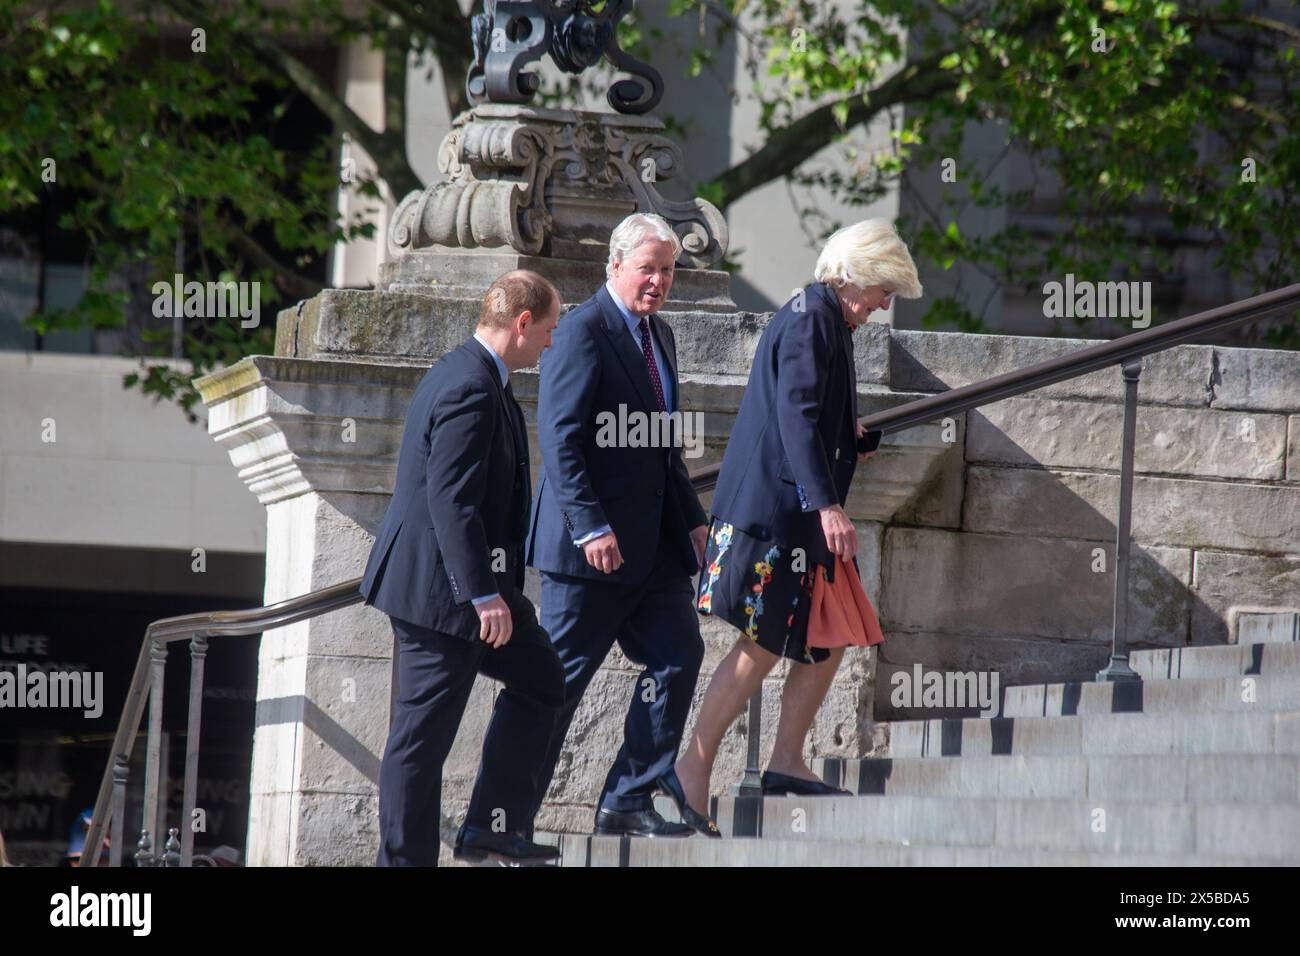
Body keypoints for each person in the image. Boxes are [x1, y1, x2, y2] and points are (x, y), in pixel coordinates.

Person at [674, 219, 923, 827]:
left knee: (830, 635)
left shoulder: (824, 316)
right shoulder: (815, 316)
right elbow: (794, 414)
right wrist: (828, 505)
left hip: (791, 516)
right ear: (856, 276)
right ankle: (691, 771)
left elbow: (807, 415)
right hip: (780, 516)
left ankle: (785, 761)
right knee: (761, 646)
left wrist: (848, 435)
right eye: (884, 291)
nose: (885, 306)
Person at [361, 269, 565, 865]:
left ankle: (491, 827)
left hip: (478, 593)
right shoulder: (471, 385)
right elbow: (451, 501)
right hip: (442, 597)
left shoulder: (478, 376)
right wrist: (482, 595)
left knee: (544, 681)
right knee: (419, 744)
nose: (552, 343)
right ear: (522, 324)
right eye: (549, 330)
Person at [524, 213, 714, 837]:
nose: (658, 281)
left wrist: (692, 523)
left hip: (653, 549)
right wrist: (589, 526)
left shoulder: (661, 339)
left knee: (679, 653)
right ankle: (504, 818)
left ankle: (626, 798)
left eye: (667, 270)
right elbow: (561, 439)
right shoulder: (581, 331)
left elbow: (665, 451)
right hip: (590, 551)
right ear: (615, 266)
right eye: (648, 269)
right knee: (556, 687)